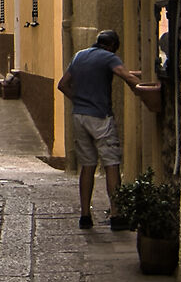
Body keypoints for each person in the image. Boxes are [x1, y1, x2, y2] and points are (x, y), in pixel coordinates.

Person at [57, 30, 147, 230]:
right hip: (100, 117)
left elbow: (63, 84)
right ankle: (116, 215)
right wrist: (144, 88)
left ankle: (85, 216)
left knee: (87, 166)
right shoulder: (109, 57)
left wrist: (79, 100)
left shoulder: (80, 55)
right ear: (113, 45)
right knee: (111, 164)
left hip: (79, 116)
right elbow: (125, 76)